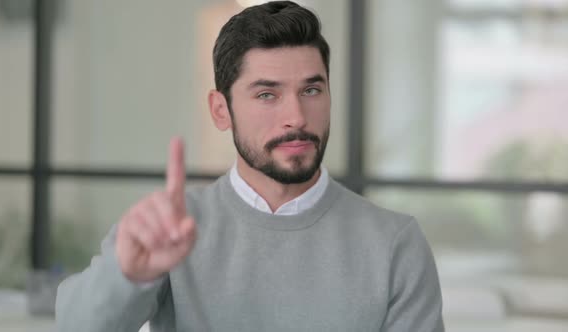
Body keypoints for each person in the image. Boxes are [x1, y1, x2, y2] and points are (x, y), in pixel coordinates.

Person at [55, 1, 444, 331]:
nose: (296, 117)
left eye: (311, 90)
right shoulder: (172, 230)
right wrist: (128, 276)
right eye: (267, 94)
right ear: (221, 111)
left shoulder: (395, 244)